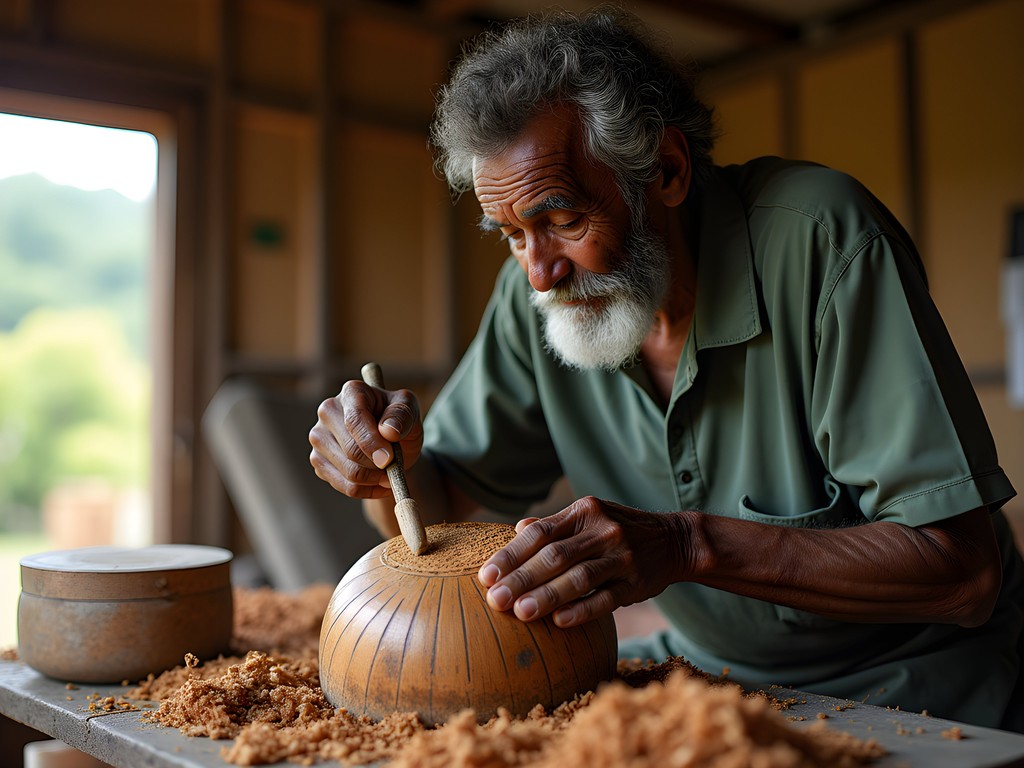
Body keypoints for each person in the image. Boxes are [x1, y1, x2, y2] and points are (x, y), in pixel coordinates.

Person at [309, 7, 1023, 730]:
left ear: (667, 170)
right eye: (513, 235)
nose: (540, 274)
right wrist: (384, 467)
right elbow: (435, 504)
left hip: (918, 690)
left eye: (561, 219)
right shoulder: (539, 304)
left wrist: (686, 544)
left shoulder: (821, 242)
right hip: (707, 683)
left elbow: (963, 574)